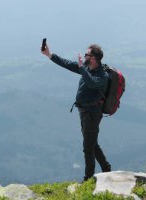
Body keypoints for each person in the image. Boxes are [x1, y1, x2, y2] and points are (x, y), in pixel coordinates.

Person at [41, 43, 111, 181]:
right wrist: (49, 55)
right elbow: (67, 64)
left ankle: (88, 178)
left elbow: (92, 83)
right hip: (84, 111)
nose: (84, 56)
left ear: (93, 58)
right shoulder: (87, 68)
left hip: (92, 113)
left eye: (87, 54)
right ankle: (106, 168)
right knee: (92, 143)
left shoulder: (102, 75)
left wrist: (81, 68)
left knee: (88, 147)